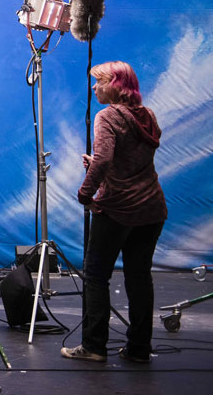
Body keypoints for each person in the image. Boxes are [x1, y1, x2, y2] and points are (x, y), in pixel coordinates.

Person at [61, 61, 166, 365]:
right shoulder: (148, 116)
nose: (94, 87)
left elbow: (105, 159)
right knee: (139, 277)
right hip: (151, 208)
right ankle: (138, 348)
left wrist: (85, 194)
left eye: (100, 81)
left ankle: (93, 346)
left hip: (117, 208)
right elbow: (126, 159)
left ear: (117, 84)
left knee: (95, 276)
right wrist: (97, 165)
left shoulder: (107, 115)